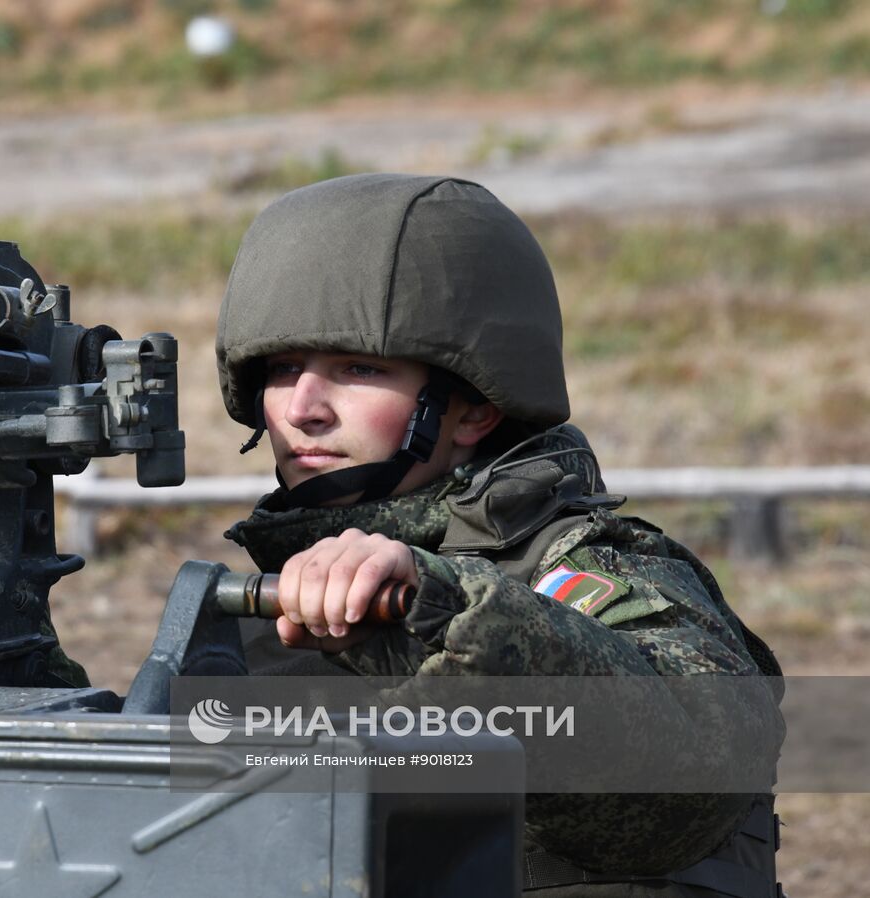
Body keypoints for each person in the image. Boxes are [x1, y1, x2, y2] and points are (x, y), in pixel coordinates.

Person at [216, 173, 784, 895]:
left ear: (474, 412)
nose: (303, 408)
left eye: (358, 369)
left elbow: (698, 772)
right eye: (283, 368)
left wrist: (449, 610)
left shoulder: (586, 571)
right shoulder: (254, 609)